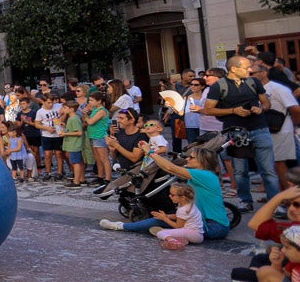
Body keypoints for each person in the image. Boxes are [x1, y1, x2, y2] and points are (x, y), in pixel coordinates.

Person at [204, 55, 280, 213]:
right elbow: (209, 109)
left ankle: (275, 204)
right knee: (240, 171)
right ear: (233, 69)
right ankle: (245, 200)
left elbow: (266, 102)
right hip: (236, 132)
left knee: (268, 170)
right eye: (246, 68)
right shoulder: (219, 86)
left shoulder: (254, 82)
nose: (250, 70)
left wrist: (261, 108)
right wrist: (233, 110)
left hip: (259, 128)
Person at [104, 146, 232, 239]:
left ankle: (121, 226)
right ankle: (173, 232)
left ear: (202, 161)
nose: (187, 159)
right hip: (207, 222)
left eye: (191, 157)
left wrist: (151, 153)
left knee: (160, 221)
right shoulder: (204, 175)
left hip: (214, 227)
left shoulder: (203, 175)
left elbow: (170, 168)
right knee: (162, 217)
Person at [253, 61, 299, 184]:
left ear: (263, 73)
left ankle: (288, 196)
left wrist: (293, 124)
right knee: (269, 164)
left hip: (280, 130)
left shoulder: (277, 88)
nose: (249, 76)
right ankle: (277, 194)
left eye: (252, 73)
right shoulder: (255, 89)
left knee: (279, 162)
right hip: (265, 129)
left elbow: (295, 108)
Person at [144, 182, 205, 247]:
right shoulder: (189, 204)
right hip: (197, 234)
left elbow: (178, 226)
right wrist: (167, 216)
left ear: (182, 197)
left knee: (161, 233)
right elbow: (179, 217)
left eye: (172, 195)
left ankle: (173, 241)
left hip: (193, 234)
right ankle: (182, 240)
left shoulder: (183, 209)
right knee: (166, 230)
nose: (169, 196)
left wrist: (164, 218)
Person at [84, 90, 112, 183]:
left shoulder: (102, 111)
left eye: (92, 100)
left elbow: (91, 122)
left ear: (99, 101)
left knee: (104, 158)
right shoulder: (95, 110)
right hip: (93, 136)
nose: (89, 102)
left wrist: (85, 115)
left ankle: (108, 178)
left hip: (99, 136)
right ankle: (100, 176)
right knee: (97, 158)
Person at [35, 94, 64, 179]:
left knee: (59, 153)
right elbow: (37, 124)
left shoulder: (58, 106)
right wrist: (46, 128)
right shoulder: (40, 112)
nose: (51, 104)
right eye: (48, 103)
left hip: (58, 134)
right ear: (43, 102)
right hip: (47, 135)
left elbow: (66, 110)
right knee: (48, 154)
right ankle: (48, 172)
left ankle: (60, 172)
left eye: (52, 102)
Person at [59, 100, 86, 187]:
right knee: (79, 161)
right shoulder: (72, 118)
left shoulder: (74, 119)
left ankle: (76, 181)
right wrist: (65, 127)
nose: (63, 109)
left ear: (71, 109)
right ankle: (81, 179)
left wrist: (65, 133)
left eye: (65, 108)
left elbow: (79, 132)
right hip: (73, 143)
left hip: (74, 144)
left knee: (75, 162)